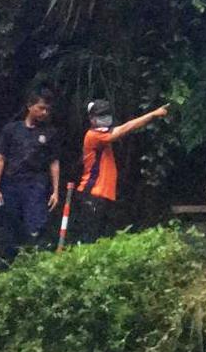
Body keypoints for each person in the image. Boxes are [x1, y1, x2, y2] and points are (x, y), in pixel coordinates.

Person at [72, 99, 169, 244]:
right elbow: (126, 128)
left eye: (106, 114)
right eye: (100, 115)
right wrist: (153, 114)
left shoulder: (102, 134)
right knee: (90, 240)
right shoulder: (94, 136)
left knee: (102, 240)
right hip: (93, 194)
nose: (105, 118)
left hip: (102, 195)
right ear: (91, 119)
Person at [0, 89, 60, 260]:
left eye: (47, 110)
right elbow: (0, 158)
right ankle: (7, 264)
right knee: (9, 224)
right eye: (41, 108)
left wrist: (55, 191)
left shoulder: (50, 133)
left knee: (35, 224)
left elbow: (53, 162)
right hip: (11, 182)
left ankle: (35, 262)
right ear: (30, 106)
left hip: (36, 183)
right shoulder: (12, 129)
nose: (44, 113)